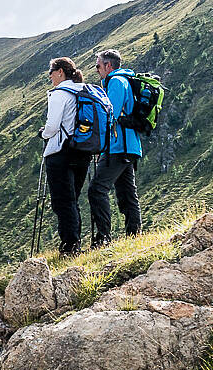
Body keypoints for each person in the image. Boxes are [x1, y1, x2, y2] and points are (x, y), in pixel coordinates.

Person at [40, 57, 91, 256]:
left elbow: (52, 126)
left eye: (51, 72)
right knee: (73, 199)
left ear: (60, 71)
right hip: (82, 151)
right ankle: (74, 243)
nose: (50, 76)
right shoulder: (83, 90)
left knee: (62, 201)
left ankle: (69, 247)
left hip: (61, 152)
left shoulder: (59, 94)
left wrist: (43, 133)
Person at [91, 49, 142, 247]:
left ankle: (103, 239)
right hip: (127, 146)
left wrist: (98, 145)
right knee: (127, 193)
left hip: (118, 146)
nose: (97, 70)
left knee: (97, 189)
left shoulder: (116, 82)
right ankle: (134, 237)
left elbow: (108, 116)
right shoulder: (123, 80)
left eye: (98, 66)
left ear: (108, 66)